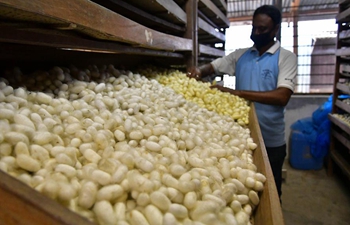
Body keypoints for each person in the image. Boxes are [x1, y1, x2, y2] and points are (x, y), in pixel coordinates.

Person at [187, 5, 297, 200]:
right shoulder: (241, 55)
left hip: (271, 139)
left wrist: (236, 93)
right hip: (241, 139)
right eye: (254, 28)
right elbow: (214, 66)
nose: (256, 33)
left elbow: (282, 96)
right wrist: (199, 71)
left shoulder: (286, 58)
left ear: (275, 30)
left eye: (262, 29)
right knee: (244, 188)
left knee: (271, 193)